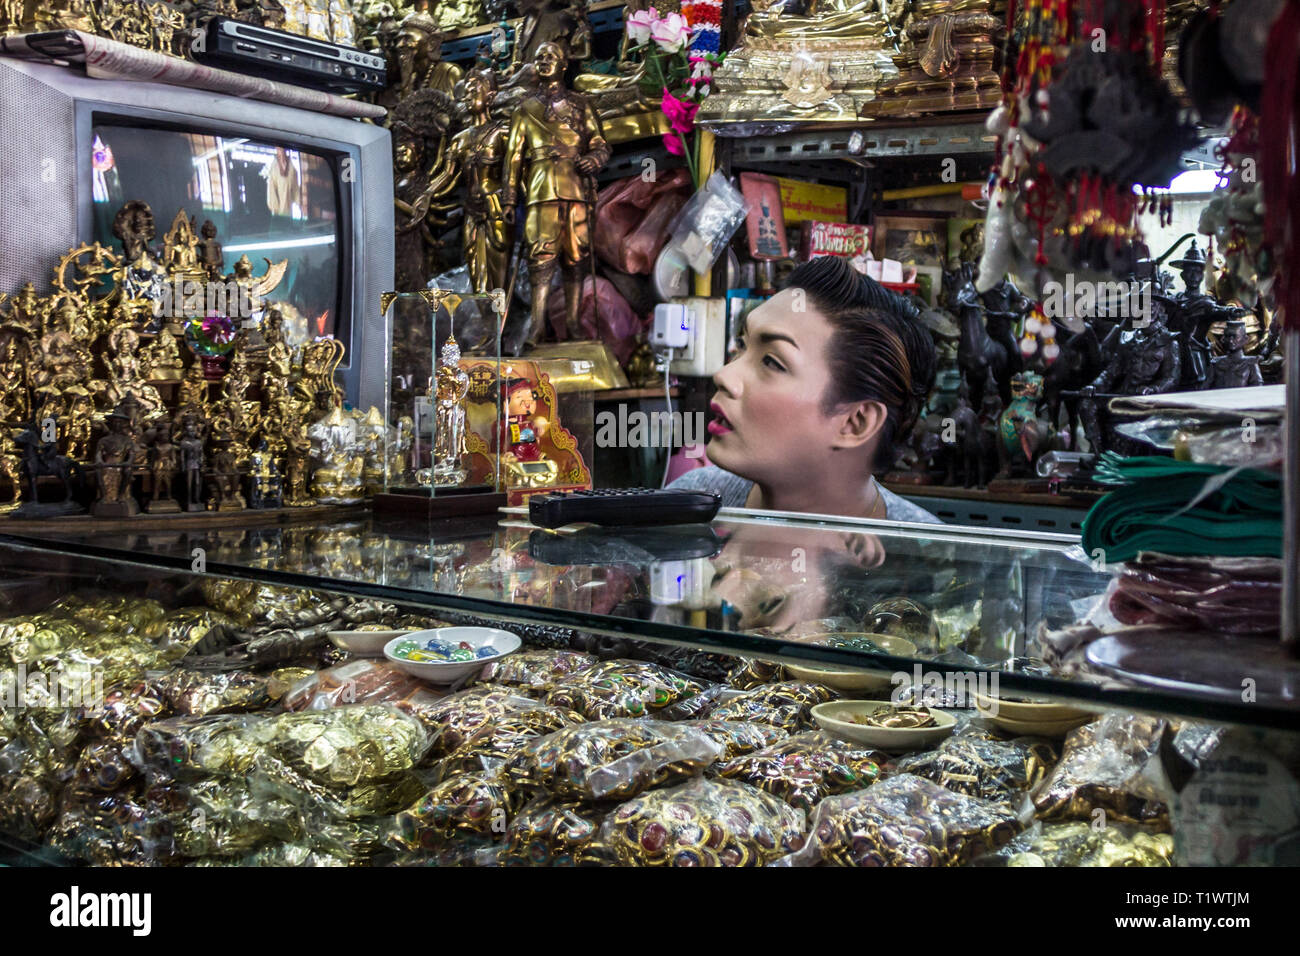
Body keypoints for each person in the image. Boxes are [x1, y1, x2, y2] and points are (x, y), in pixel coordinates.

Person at [670, 255, 943, 524]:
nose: (724, 375)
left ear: (855, 422)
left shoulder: (928, 557)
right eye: (741, 345)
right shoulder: (694, 503)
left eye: (772, 362)